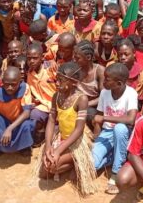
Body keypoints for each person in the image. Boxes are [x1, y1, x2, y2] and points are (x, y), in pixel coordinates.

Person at [37, 62, 97, 195]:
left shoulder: (81, 99)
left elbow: (79, 130)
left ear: (74, 83)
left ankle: (76, 163)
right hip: (61, 137)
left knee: (52, 166)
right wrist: (48, 146)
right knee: (44, 173)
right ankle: (69, 164)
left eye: (61, 80)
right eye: (56, 79)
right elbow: (51, 120)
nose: (57, 83)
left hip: (76, 142)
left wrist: (58, 151)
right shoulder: (56, 96)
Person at [91, 63, 138, 194]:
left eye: (107, 79)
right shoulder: (104, 93)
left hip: (124, 133)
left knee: (120, 129)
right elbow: (98, 117)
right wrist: (96, 138)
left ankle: (116, 171)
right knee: (91, 165)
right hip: (106, 132)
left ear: (119, 83)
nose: (104, 81)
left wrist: (104, 118)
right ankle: (113, 157)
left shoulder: (131, 93)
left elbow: (131, 120)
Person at [0, 66, 34, 158]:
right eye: (7, 84)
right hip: (4, 122)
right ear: (2, 82)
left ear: (20, 82)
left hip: (19, 122)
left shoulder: (25, 88)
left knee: (28, 125)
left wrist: (9, 129)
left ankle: (24, 146)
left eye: (13, 84)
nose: (10, 88)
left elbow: (26, 113)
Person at [25, 43, 57, 144]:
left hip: (57, 105)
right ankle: (40, 134)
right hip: (42, 106)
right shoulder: (29, 73)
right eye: (29, 58)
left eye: (35, 58)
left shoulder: (51, 69)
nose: (31, 61)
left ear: (42, 57)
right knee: (34, 114)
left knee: (56, 134)